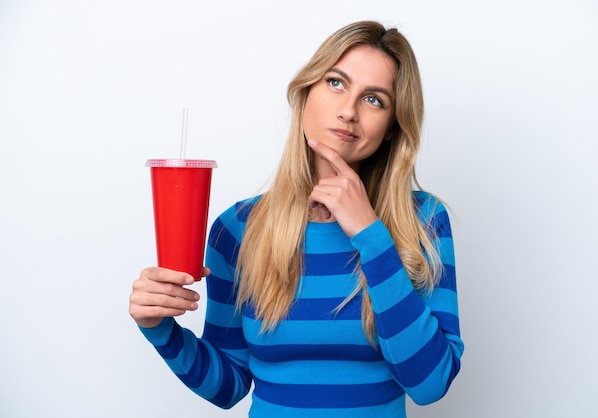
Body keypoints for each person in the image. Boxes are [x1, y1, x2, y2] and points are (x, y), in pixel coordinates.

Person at [129, 20, 463, 417]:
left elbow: (430, 384)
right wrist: (158, 328)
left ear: (391, 128)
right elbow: (229, 385)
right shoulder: (237, 229)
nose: (348, 111)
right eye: (336, 83)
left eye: (374, 100)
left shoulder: (423, 220)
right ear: (306, 93)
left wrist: (372, 237)